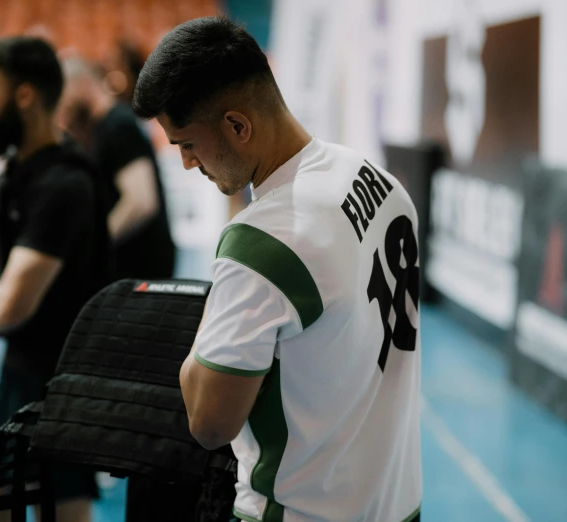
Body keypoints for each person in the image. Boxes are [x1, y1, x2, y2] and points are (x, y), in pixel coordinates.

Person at [133, 17, 423, 522]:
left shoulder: (262, 244)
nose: (186, 163)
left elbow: (209, 423)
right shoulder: (376, 179)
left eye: (187, 144)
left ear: (238, 126)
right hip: (394, 505)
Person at [0, 36, 109, 522]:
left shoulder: (63, 184)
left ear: (24, 95)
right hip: (24, 365)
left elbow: (8, 308)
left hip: (57, 376)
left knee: (44, 507)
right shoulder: (16, 164)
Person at [58, 57, 175, 280]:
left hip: (141, 270)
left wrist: (95, 245)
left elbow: (141, 202)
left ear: (82, 86)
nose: (62, 109)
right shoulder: (102, 128)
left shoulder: (117, 125)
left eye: (65, 97)